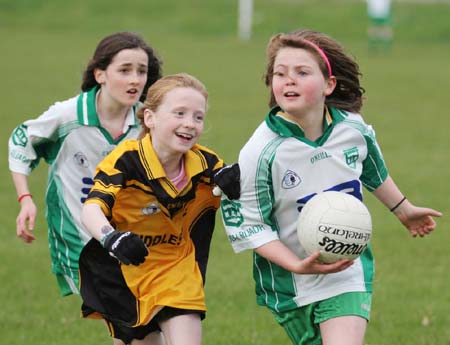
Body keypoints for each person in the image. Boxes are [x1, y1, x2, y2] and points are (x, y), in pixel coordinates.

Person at [220, 29, 442, 345]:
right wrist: (297, 264)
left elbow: (372, 169)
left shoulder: (352, 128)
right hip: (291, 282)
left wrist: (403, 209)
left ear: (329, 84)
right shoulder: (260, 151)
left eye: (302, 72)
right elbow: (251, 226)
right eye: (280, 73)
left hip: (348, 271)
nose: (289, 80)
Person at [8, 31, 163, 345]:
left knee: (139, 327)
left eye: (142, 71)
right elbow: (21, 142)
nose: (135, 79)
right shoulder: (68, 117)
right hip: (82, 243)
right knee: (139, 326)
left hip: (136, 237)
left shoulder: (148, 121)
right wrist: (26, 199)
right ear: (100, 74)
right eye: (125, 70)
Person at [78, 73, 240, 345]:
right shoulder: (125, 161)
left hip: (177, 267)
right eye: (179, 113)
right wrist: (112, 237)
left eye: (198, 117)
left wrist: (236, 182)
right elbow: (91, 209)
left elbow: (238, 189)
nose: (190, 124)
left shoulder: (206, 162)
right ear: (150, 118)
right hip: (124, 272)